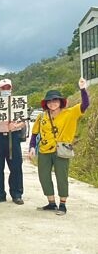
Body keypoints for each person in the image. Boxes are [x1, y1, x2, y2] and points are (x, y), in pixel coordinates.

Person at [28, 77, 89, 216]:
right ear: (46, 103)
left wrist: (83, 89)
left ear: (60, 102)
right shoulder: (42, 116)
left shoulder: (70, 113)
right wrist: (32, 147)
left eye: (55, 100)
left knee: (61, 176)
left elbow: (85, 105)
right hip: (44, 150)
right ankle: (51, 203)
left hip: (62, 150)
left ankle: (63, 204)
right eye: (50, 101)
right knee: (43, 176)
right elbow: (35, 133)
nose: (52, 103)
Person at [0, 79, 25, 205]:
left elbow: (24, 120)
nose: (6, 89)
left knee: (16, 166)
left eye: (8, 87)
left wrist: (16, 126)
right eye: (3, 87)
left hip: (13, 136)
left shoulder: (18, 103)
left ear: (11, 88)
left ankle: (17, 194)